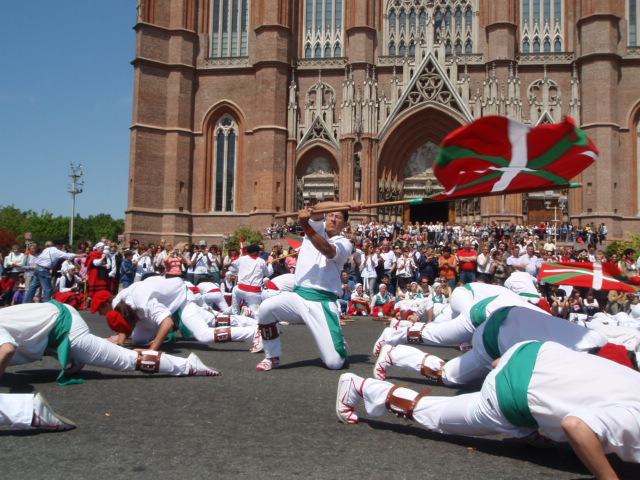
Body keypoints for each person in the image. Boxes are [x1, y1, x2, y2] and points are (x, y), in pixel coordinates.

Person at [337, 341, 640, 480]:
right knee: (433, 413)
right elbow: (577, 425)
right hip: (512, 395)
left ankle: (539, 432)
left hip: (532, 349)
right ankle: (362, 388)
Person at [0, 301, 221, 388]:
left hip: (64, 329)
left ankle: (189, 365)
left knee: (125, 361)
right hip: (58, 317)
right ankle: (77, 356)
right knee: (95, 350)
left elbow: (7, 349)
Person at [255, 200, 363, 371]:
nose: (333, 219)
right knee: (266, 308)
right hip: (298, 297)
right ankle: (272, 356)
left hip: (323, 303)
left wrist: (305, 224)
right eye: (331, 215)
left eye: (339, 217)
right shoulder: (316, 227)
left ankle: (338, 343)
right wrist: (346, 204)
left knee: (334, 363)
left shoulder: (345, 244)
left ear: (345, 224)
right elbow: (318, 209)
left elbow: (327, 250)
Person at [91, 277, 259, 352]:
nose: (99, 314)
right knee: (139, 337)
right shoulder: (121, 304)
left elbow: (168, 323)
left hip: (180, 299)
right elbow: (124, 323)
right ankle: (254, 323)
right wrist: (120, 343)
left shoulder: (144, 302)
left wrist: (152, 350)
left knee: (204, 334)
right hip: (164, 301)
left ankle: (255, 332)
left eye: (99, 309)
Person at [24, 240, 85, 304]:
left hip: (38, 268)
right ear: (58, 245)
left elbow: (40, 258)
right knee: (48, 289)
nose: (62, 247)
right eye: (61, 246)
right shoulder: (56, 251)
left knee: (33, 287)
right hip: (44, 269)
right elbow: (67, 256)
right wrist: (80, 255)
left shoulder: (46, 250)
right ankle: (47, 303)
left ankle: (26, 302)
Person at [231, 244, 272, 315]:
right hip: (254, 292)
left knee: (235, 290)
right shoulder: (261, 261)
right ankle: (249, 312)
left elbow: (233, 264)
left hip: (240, 289)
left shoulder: (242, 258)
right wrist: (271, 264)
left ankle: (235, 313)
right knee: (255, 313)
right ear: (258, 252)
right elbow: (268, 274)